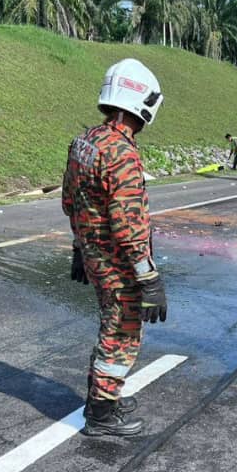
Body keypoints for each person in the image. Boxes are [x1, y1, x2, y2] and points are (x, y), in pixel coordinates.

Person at [62, 58, 167, 437]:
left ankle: (102, 398)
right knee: (122, 331)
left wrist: (79, 248)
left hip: (93, 252)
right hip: (116, 259)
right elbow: (128, 225)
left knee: (110, 323)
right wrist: (149, 277)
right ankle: (102, 414)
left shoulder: (85, 141)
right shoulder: (121, 152)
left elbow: (72, 200)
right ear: (142, 102)